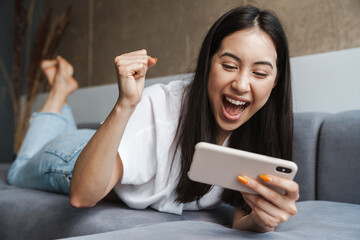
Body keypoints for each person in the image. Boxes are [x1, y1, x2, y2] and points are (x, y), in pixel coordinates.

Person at [7, 5, 299, 232]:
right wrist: (125, 104)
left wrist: (262, 221)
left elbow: (241, 220)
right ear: (208, 63)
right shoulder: (159, 108)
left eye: (260, 73)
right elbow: (82, 196)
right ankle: (58, 93)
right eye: (229, 65)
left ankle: (62, 94)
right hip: (76, 160)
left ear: (275, 82)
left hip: (116, 149)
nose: (242, 84)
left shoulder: (262, 131)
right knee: (17, 171)